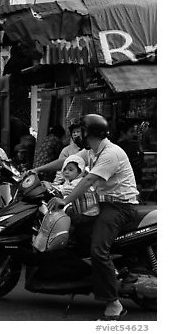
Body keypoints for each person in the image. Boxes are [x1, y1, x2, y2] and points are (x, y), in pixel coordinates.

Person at [36, 114, 139, 320]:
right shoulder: (92, 151)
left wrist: (65, 201)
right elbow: (67, 162)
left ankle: (114, 303)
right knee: (75, 228)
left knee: (98, 250)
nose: (76, 135)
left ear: (89, 133)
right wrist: (36, 170)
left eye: (80, 131)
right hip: (102, 203)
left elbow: (89, 179)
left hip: (119, 206)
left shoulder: (110, 153)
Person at [116, 121, 144, 191]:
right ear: (122, 133)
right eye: (131, 132)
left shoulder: (113, 146)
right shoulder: (130, 147)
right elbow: (137, 166)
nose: (134, 134)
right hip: (130, 181)